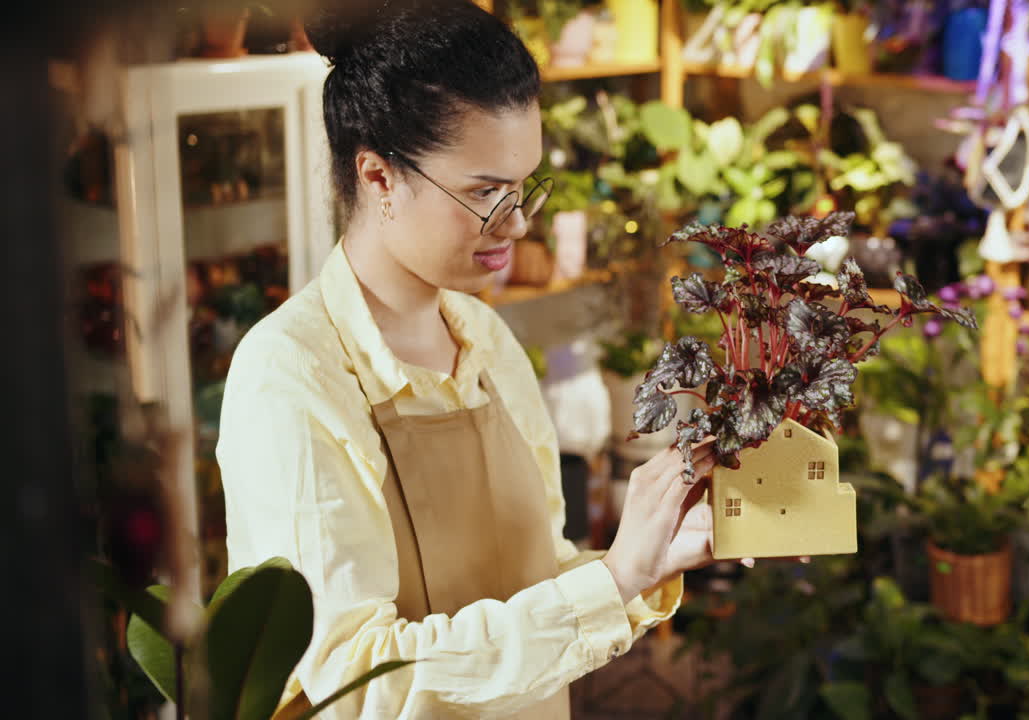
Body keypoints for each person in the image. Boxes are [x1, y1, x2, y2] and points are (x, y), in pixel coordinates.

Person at [216, 1, 717, 717]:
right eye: (486, 194)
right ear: (379, 177)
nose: (516, 224)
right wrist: (610, 581)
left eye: (524, 187)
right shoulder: (291, 376)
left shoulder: (485, 340)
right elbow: (354, 678)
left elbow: (533, 580)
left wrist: (649, 555)